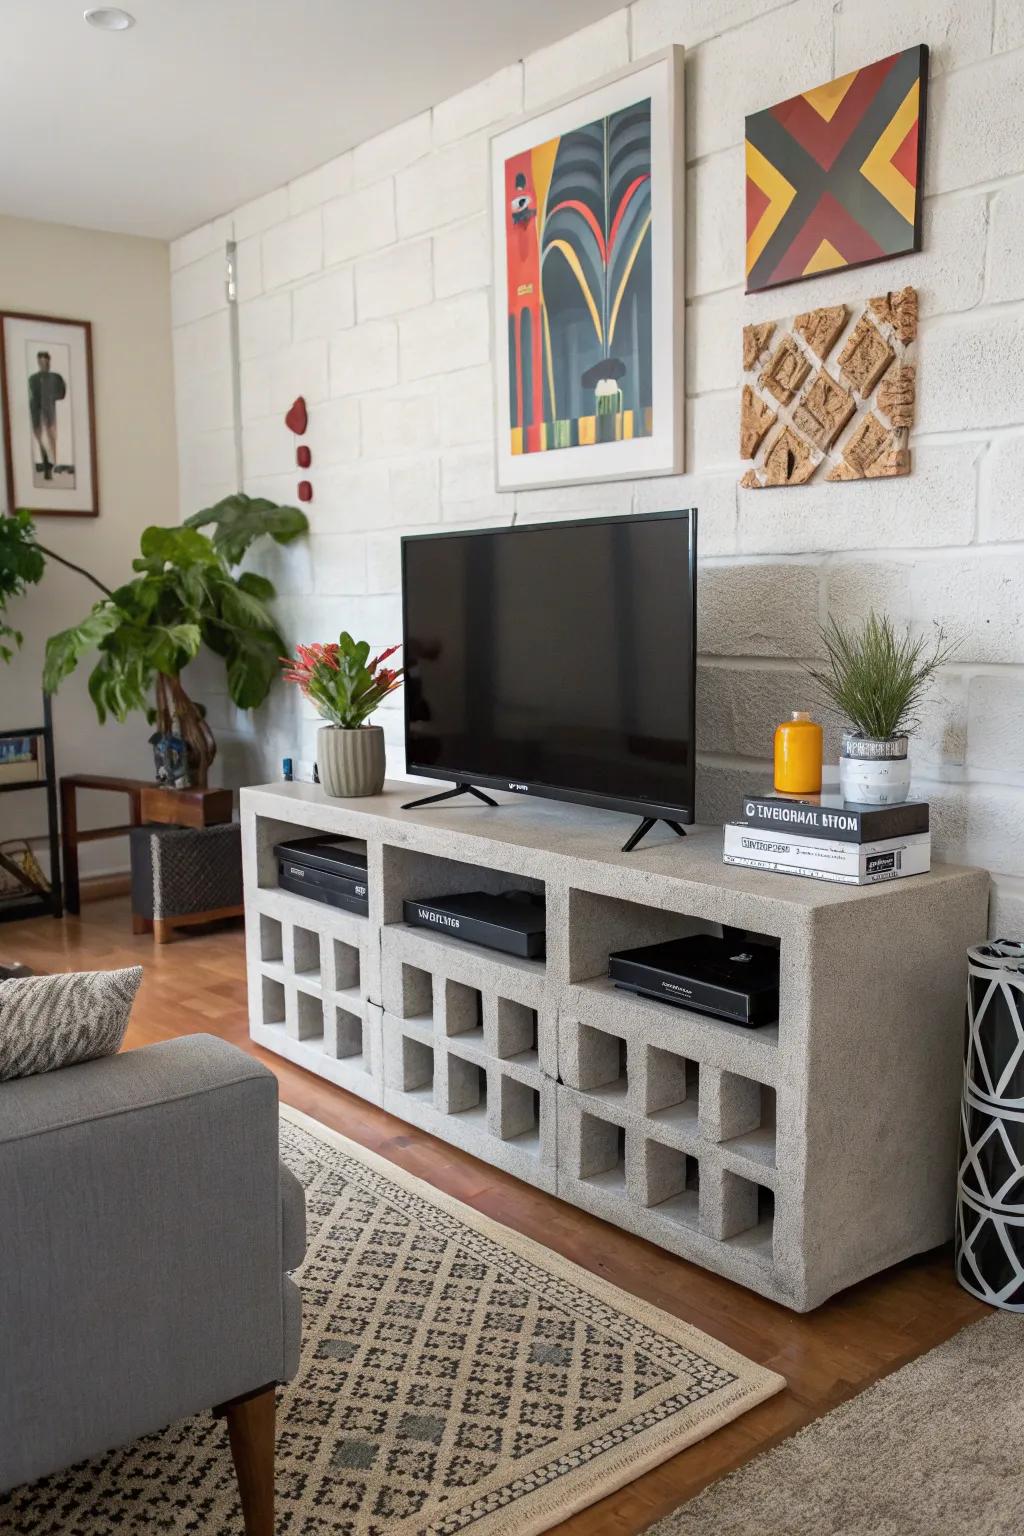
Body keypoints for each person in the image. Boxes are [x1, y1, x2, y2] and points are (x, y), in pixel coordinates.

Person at [28, 351, 66, 481]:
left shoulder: (55, 377)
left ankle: (52, 466)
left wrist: (51, 397)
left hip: (50, 412)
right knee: (41, 441)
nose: (44, 364)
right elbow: (30, 395)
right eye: (41, 361)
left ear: (49, 362)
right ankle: (47, 468)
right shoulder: (32, 378)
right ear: (38, 362)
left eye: (46, 361)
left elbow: (61, 393)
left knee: (51, 439)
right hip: (36, 413)